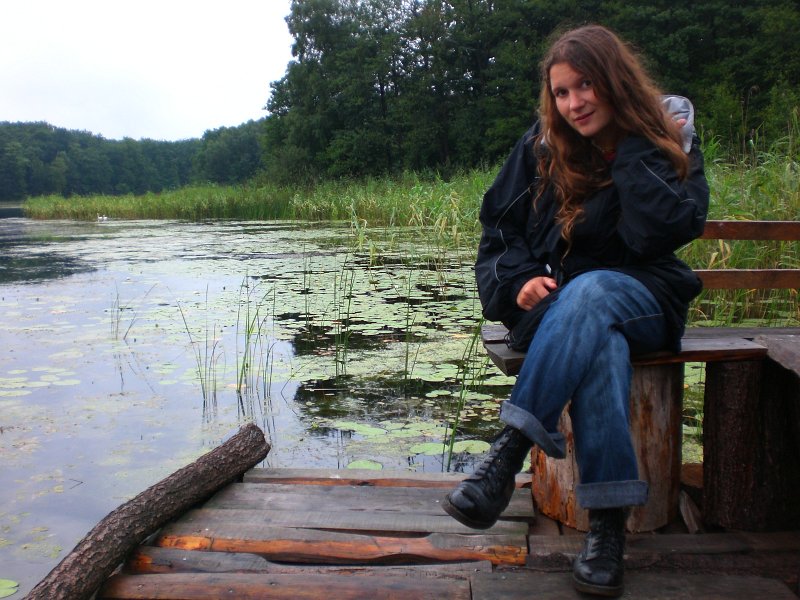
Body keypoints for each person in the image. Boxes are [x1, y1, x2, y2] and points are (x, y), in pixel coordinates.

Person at [442, 25, 709, 597]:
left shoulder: (667, 137)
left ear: (615, 81)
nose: (574, 103)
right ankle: (607, 531)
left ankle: (507, 451)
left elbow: (660, 232)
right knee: (599, 345)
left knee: (593, 292)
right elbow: (500, 229)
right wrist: (517, 282)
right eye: (561, 92)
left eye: (586, 85)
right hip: (561, 308)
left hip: (645, 299)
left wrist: (629, 148)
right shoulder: (541, 147)